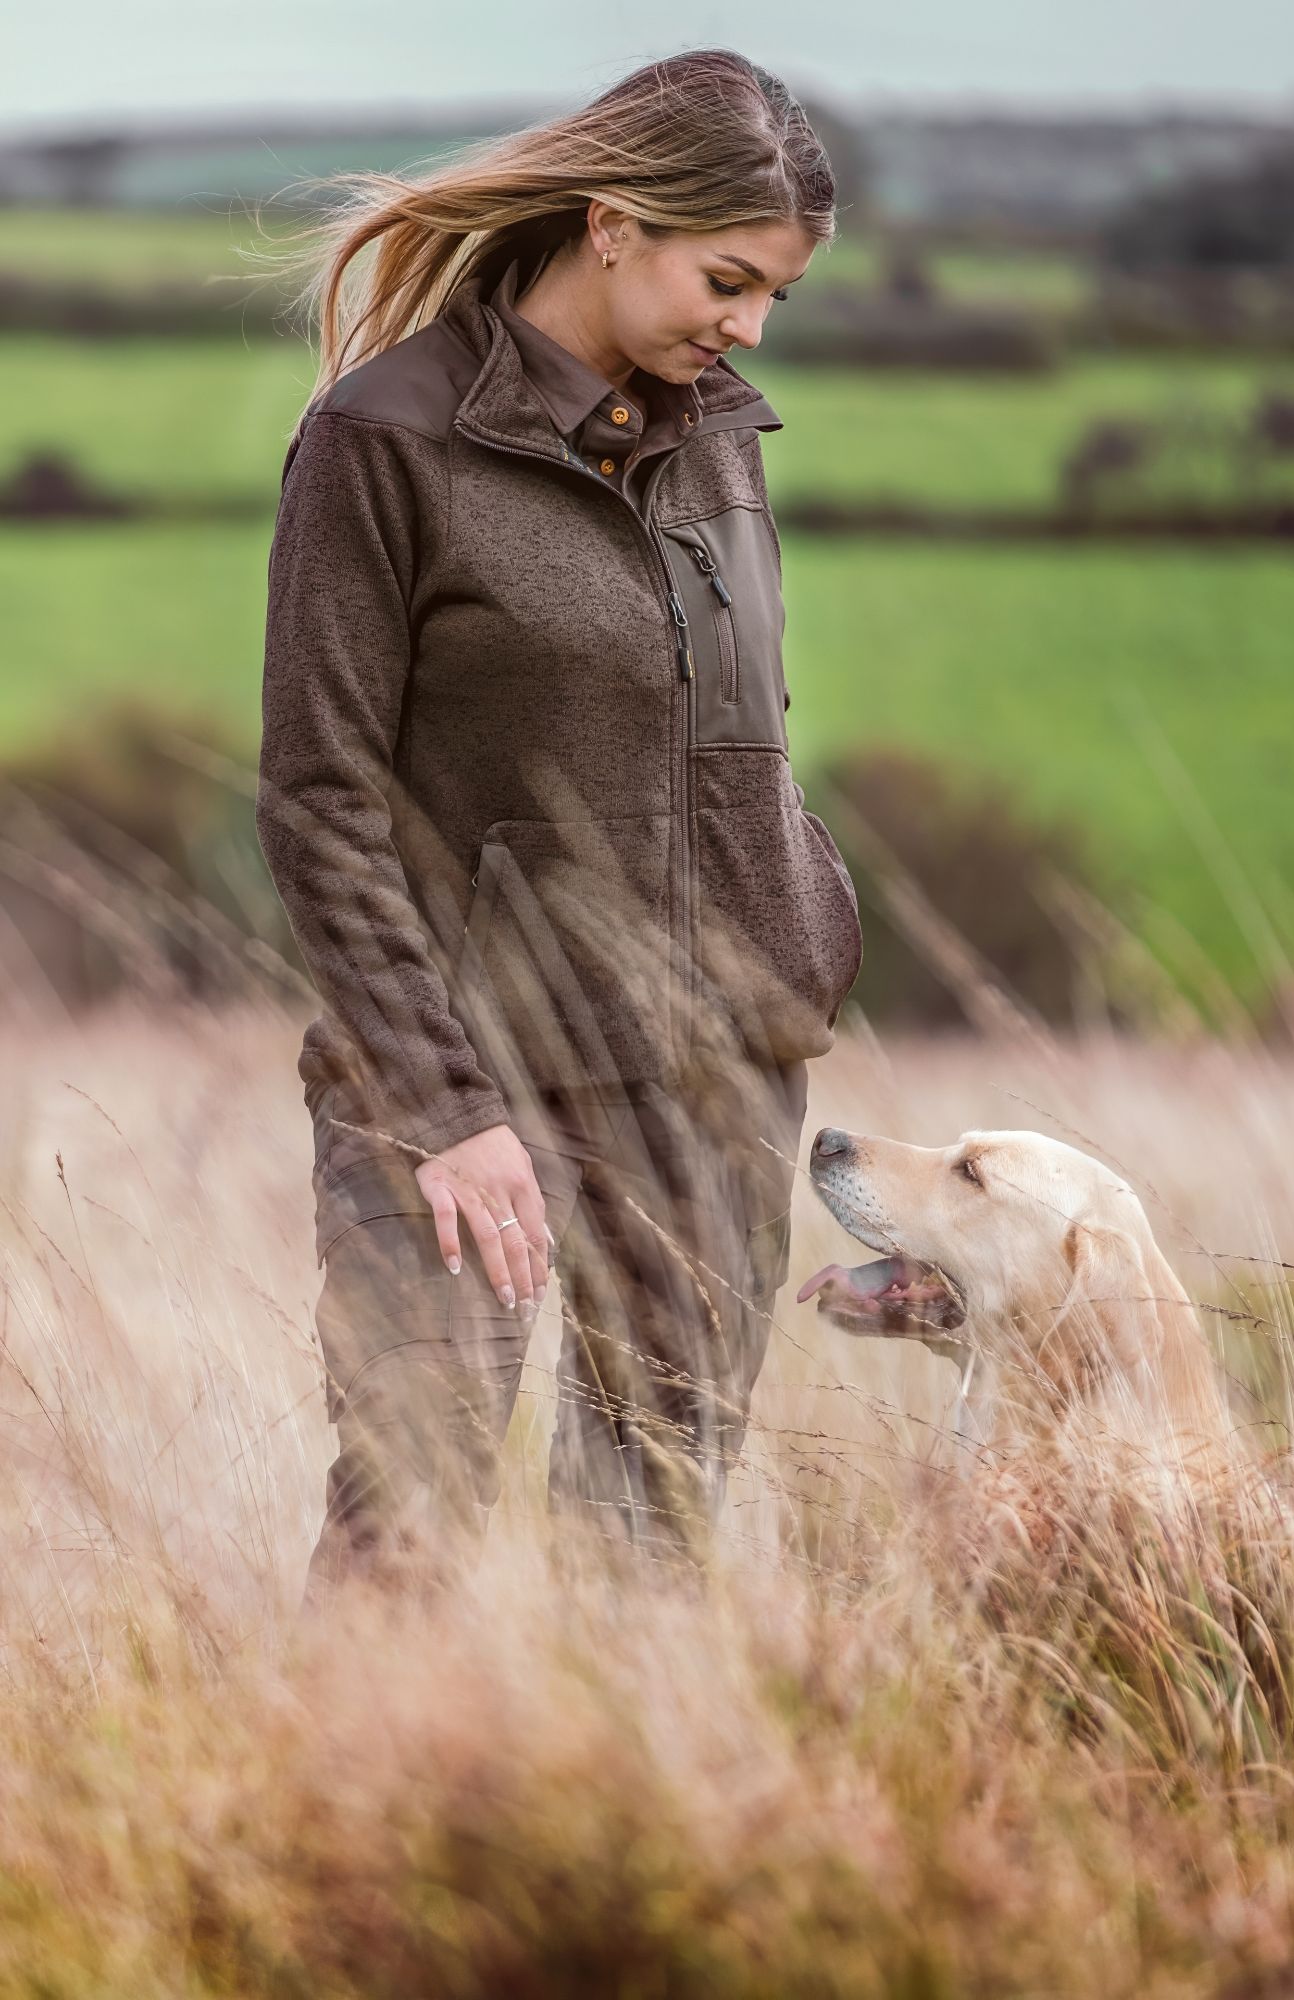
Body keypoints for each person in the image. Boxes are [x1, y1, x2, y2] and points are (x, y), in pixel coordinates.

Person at [256, 48, 864, 1602]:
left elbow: (735, 732)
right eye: (727, 279)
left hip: (717, 1081)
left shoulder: (716, 431)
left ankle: (613, 1836)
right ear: (611, 223)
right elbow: (322, 800)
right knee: (411, 1516)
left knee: (654, 1541)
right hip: (468, 1088)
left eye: (773, 296)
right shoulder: (384, 442)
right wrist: (446, 1104)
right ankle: (341, 1836)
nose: (746, 327)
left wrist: (799, 942)